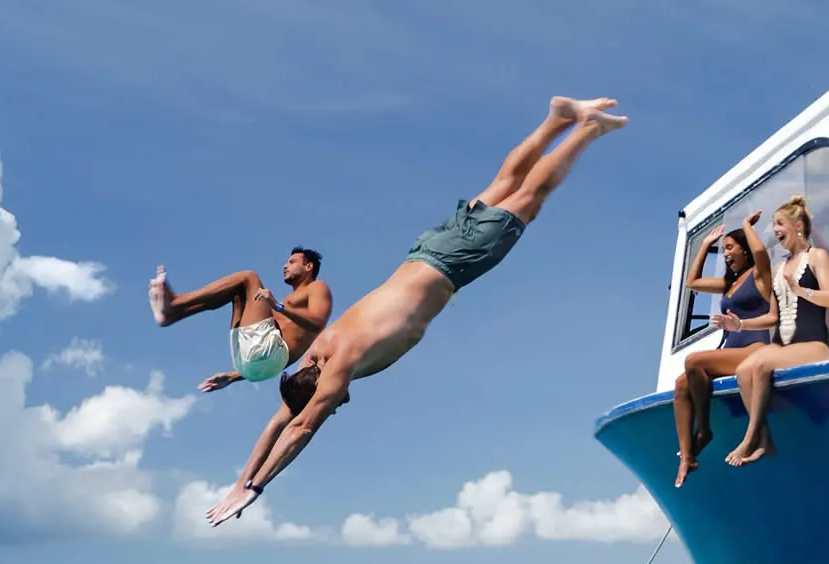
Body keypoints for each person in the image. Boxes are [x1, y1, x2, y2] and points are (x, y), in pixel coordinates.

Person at [204, 95, 629, 524]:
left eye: (332, 404)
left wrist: (257, 488)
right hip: (423, 250)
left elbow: (300, 426)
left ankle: (588, 128)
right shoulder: (321, 350)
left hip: (450, 265)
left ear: (321, 390)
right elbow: (279, 422)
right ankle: (556, 120)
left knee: (530, 198)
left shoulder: (341, 363)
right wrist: (241, 481)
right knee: (505, 181)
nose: (339, 404)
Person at [726, 194, 829, 467]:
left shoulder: (817, 257)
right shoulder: (778, 269)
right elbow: (772, 316)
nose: (775, 230)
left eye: (779, 223)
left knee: (761, 365)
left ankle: (749, 438)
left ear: (798, 225)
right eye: (773, 225)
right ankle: (765, 441)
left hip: (812, 343)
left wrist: (800, 290)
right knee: (742, 370)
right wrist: (740, 324)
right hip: (782, 344)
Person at [671, 210, 775, 487]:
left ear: (744, 249)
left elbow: (762, 253)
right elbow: (692, 282)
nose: (726, 254)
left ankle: (704, 431)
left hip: (754, 348)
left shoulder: (760, 276)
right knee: (681, 385)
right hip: (730, 353)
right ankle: (687, 456)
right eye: (723, 249)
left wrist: (745, 227)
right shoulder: (728, 284)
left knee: (693, 361)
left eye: (730, 248)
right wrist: (705, 246)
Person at [147, 247, 334, 390]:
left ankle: (175, 303)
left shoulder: (317, 287)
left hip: (270, 355)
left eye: (292, 262)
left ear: (308, 267)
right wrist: (233, 376)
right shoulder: (289, 304)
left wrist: (277, 306)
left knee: (248, 277)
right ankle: (172, 315)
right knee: (237, 294)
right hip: (253, 365)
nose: (285, 265)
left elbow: (318, 323)